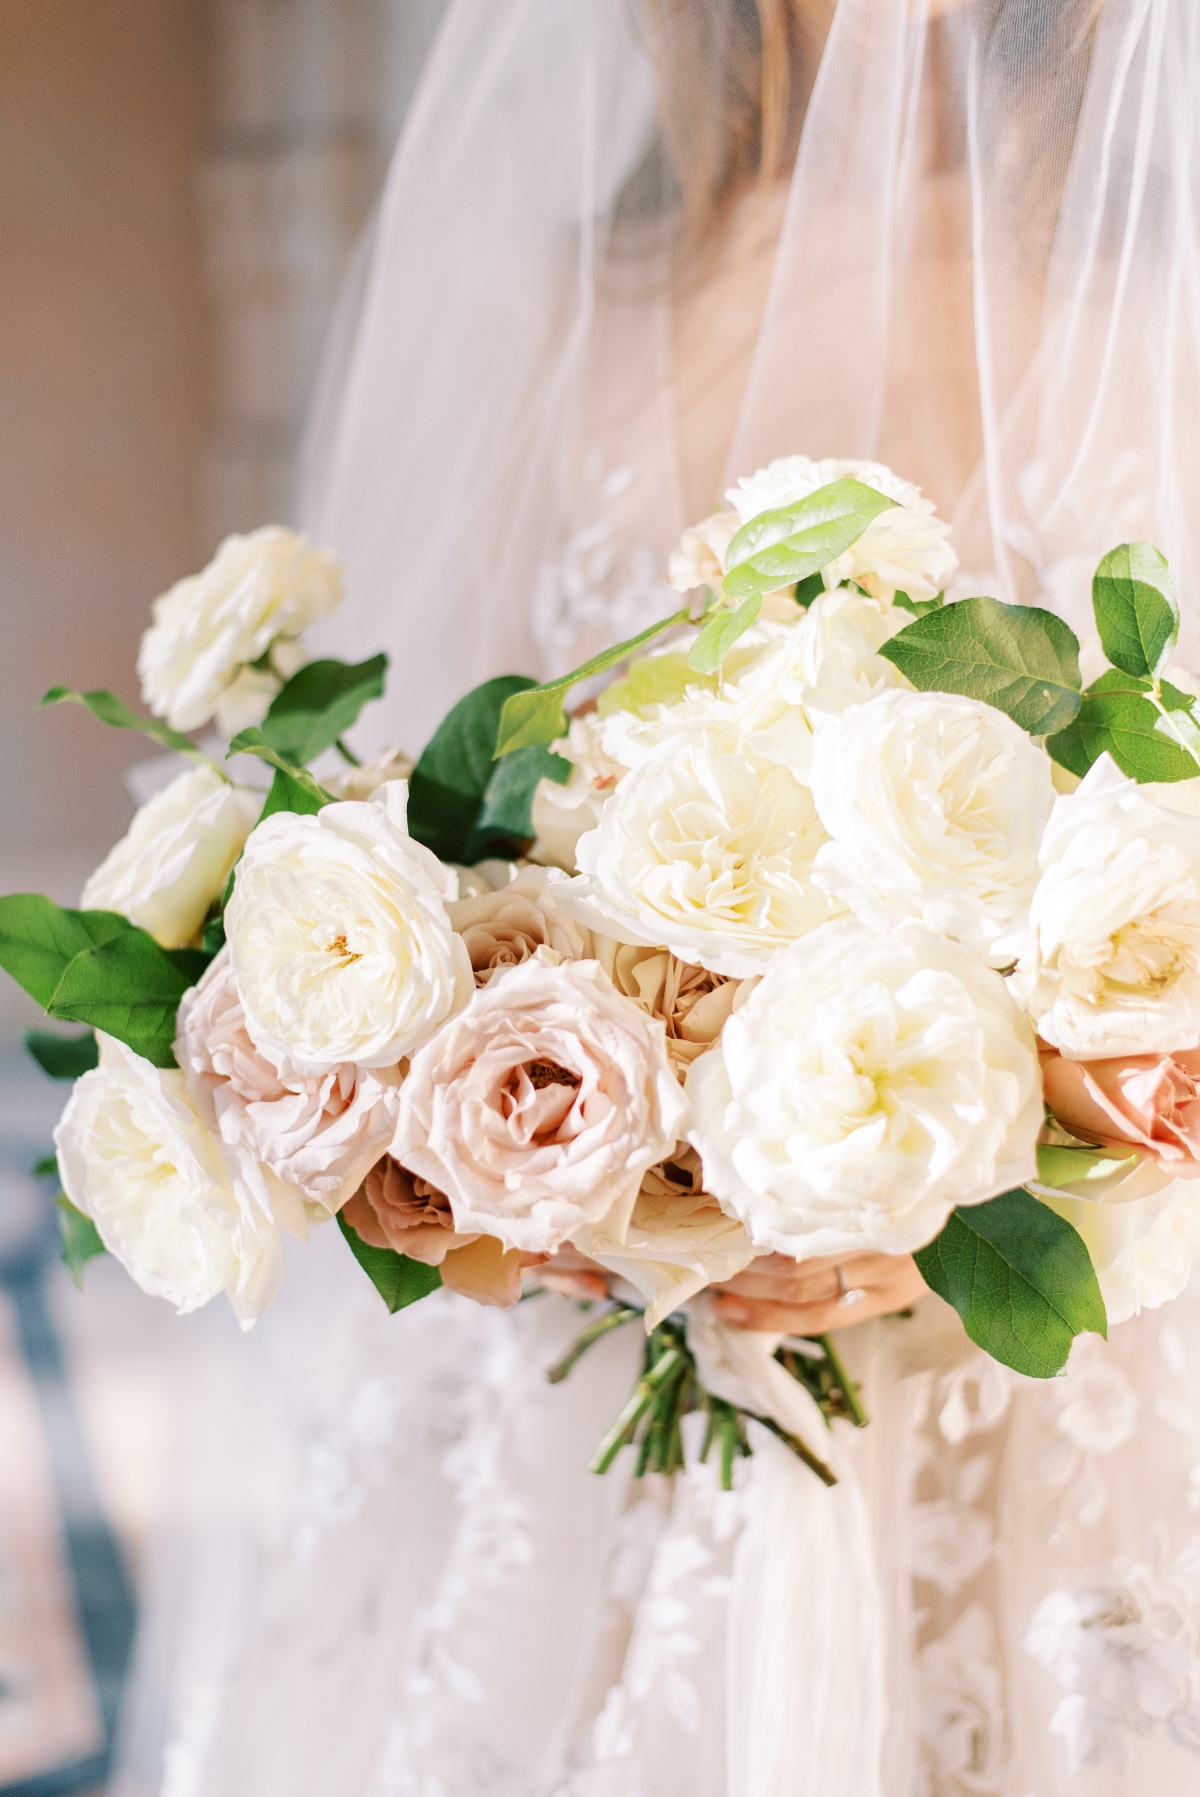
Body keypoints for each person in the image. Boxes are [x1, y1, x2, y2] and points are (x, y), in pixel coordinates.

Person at [111, 2, 1200, 1793]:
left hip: (1074, 1353)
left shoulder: (1155, 279)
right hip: (613, 1316)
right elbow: (449, 826)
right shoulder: (569, 297)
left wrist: (977, 1170)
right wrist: (508, 1148)